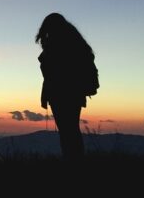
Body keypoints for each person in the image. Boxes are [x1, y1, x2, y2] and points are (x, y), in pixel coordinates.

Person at [35, 13, 99, 161]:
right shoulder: (74, 42)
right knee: (71, 130)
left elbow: (52, 73)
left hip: (61, 93)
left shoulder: (56, 44)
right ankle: (75, 159)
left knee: (67, 131)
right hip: (74, 93)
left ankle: (72, 160)